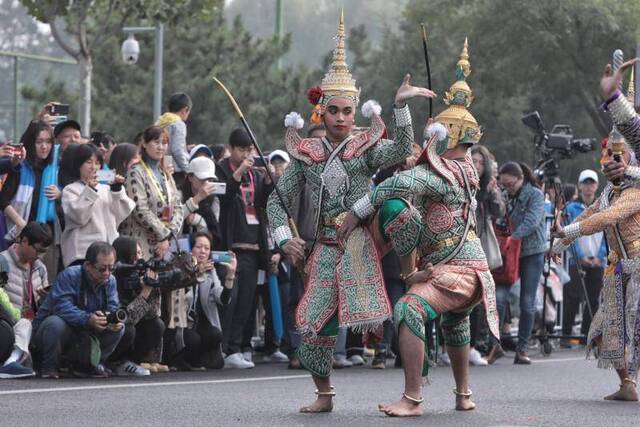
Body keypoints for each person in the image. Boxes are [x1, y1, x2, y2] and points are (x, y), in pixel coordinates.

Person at [267, 12, 434, 413]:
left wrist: (399, 107)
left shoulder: (365, 149)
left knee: (401, 302)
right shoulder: (306, 156)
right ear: (320, 111)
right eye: (334, 111)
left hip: (362, 239)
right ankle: (324, 394)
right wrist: (284, 238)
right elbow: (277, 201)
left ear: (356, 112)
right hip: (324, 245)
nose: (341, 118)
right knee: (311, 322)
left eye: (347, 111)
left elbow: (398, 151)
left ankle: (410, 275)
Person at [341, 39, 498, 416]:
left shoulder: (441, 175)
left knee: (409, 310)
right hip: (469, 270)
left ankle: (412, 398)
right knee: (456, 323)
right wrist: (406, 114)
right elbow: (409, 162)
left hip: (455, 270)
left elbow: (395, 185)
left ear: (449, 136)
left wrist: (355, 212)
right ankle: (463, 394)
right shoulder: (465, 169)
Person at [217, 127, 274, 369]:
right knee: (231, 298)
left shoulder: (257, 175)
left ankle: (238, 347)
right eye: (242, 149)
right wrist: (238, 172)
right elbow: (225, 199)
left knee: (247, 303)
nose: (246, 155)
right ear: (230, 149)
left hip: (253, 245)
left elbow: (264, 204)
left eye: (250, 149)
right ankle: (225, 347)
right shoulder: (220, 170)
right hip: (231, 245)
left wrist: (271, 180)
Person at [32, 242, 124, 378]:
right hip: (54, 331)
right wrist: (88, 319)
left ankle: (91, 365)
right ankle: (49, 367)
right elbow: (61, 307)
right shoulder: (70, 275)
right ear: (88, 265)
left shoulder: (111, 280)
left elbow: (113, 306)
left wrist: (110, 320)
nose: (107, 273)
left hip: (84, 330)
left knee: (119, 328)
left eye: (111, 268)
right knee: (55, 323)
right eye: (102, 269)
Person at [497, 161, 545, 364]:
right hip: (508, 254)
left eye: (510, 184)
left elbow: (532, 221)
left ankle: (522, 347)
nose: (507, 188)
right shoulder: (505, 196)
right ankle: (494, 344)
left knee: (527, 301)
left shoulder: (535, 194)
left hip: (531, 253)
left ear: (520, 179)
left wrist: (512, 238)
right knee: (498, 299)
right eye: (504, 185)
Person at [0, 121, 60, 279]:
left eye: (48, 142)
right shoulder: (19, 166)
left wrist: (60, 194)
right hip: (15, 236)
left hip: (42, 239)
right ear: (29, 143)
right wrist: (20, 223)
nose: (44, 147)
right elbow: (3, 199)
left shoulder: (53, 170)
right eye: (39, 142)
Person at [60, 144, 135, 267]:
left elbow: (122, 213)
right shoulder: (70, 190)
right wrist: (90, 190)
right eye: (88, 162)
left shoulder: (105, 188)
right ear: (78, 165)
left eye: (97, 163)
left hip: (109, 253)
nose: (94, 167)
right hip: (83, 254)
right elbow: (79, 217)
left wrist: (116, 189)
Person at [119, 125, 184, 260]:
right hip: (139, 242)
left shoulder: (165, 174)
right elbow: (140, 208)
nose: (161, 147)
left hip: (164, 243)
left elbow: (178, 207)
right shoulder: (135, 172)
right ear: (144, 143)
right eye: (156, 142)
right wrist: (164, 234)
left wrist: (169, 234)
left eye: (164, 143)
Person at [0, 222, 52, 378]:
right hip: (8, 323)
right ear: (23, 241)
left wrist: (45, 299)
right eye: (38, 250)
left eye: (44, 251)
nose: (40, 255)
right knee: (24, 323)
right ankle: (11, 362)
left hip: (33, 324)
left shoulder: (40, 268)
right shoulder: (2, 262)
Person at [108, 237, 165, 376]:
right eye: (135, 255)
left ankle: (131, 361)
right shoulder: (111, 277)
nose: (139, 260)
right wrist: (145, 293)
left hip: (130, 326)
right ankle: (113, 362)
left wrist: (151, 289)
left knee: (157, 325)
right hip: (109, 329)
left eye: (141, 254)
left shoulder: (137, 277)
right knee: (128, 329)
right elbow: (128, 318)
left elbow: (152, 314)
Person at [470, 144, 505, 364]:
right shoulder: (462, 182)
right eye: (474, 161)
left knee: (480, 295)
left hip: (481, 242)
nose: (477, 166)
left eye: (481, 162)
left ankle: (478, 343)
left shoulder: (489, 186)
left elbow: (499, 212)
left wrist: (492, 191)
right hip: (461, 241)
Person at [562, 170, 605, 345]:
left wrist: (601, 256)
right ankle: (565, 336)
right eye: (585, 183)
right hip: (577, 261)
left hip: (597, 261)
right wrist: (579, 256)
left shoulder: (603, 208)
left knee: (593, 300)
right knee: (573, 297)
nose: (588, 187)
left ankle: (586, 335)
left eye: (591, 183)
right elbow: (568, 234)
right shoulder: (571, 208)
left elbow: (607, 234)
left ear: (596, 185)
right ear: (579, 186)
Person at [181, 232, 236, 369]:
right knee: (193, 339)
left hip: (202, 322)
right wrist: (196, 272)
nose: (203, 251)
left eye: (207, 248)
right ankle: (182, 359)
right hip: (184, 323)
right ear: (190, 249)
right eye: (199, 247)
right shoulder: (181, 266)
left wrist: (230, 276)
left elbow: (222, 299)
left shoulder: (210, 271)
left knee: (215, 338)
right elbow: (182, 288)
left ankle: (201, 357)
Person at [181, 156, 222, 246]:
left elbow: (214, 237)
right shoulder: (179, 196)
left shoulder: (213, 201)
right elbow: (174, 219)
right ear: (190, 177)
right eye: (202, 179)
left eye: (210, 179)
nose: (206, 183)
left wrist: (200, 222)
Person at [156, 93, 192, 187]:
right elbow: (176, 150)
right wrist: (188, 170)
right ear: (185, 110)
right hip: (174, 173)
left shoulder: (161, 121)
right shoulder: (178, 124)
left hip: (158, 167)